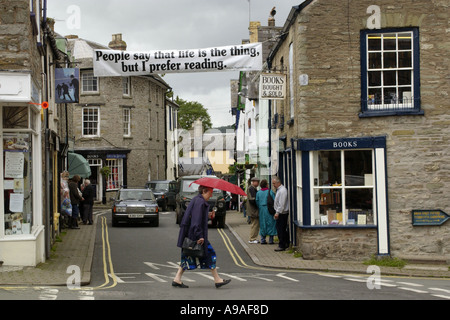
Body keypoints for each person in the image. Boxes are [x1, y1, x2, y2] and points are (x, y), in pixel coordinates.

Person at [173, 185, 231, 289]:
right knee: (210, 253)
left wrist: (208, 215)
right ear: (204, 191)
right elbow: (196, 221)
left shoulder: (197, 200)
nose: (211, 195)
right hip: (195, 234)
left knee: (187, 256)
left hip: (191, 233)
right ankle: (217, 280)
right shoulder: (200, 202)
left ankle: (177, 279)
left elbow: (196, 216)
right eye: (210, 192)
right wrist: (200, 236)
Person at [256, 179, 277, 245]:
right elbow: (274, 200)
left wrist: (260, 206)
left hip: (261, 209)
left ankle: (263, 240)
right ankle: (271, 240)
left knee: (262, 224)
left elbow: (257, 201)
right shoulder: (270, 191)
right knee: (271, 223)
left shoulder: (258, 192)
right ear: (266, 185)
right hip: (269, 209)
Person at [272, 176, 289, 251]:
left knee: (281, 229)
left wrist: (277, 213)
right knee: (280, 229)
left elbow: (282, 204)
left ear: (278, 182)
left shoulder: (283, 190)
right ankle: (284, 243)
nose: (273, 185)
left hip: (282, 213)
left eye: (274, 183)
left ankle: (282, 245)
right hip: (280, 212)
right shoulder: (279, 190)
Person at [246, 177, 260, 243]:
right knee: (255, 224)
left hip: (252, 210)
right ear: (253, 182)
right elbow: (252, 200)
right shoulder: (251, 188)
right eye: (257, 181)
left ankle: (253, 238)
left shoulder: (252, 188)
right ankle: (252, 239)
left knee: (254, 224)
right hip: (253, 210)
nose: (258, 183)